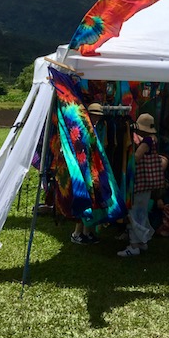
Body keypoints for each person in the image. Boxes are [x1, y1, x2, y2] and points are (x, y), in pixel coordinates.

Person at [117, 113, 165, 257]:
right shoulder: (154, 140)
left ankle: (134, 245)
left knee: (134, 212)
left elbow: (137, 157)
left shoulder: (147, 142)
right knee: (141, 211)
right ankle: (142, 242)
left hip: (141, 182)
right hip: (148, 183)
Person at [70, 102, 104, 245]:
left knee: (91, 201)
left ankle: (86, 232)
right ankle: (77, 233)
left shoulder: (92, 128)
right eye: (95, 116)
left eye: (98, 117)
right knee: (84, 200)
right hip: (84, 169)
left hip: (91, 169)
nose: (97, 119)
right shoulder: (83, 128)